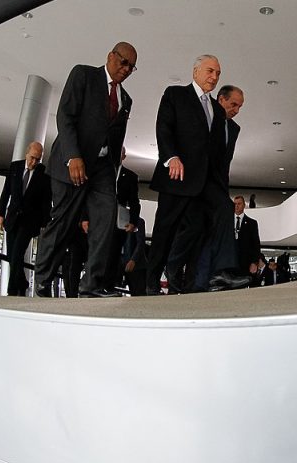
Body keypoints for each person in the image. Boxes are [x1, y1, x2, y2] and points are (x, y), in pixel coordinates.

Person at [34, 42, 137, 298]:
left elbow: (117, 135)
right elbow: (65, 116)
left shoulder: (126, 99)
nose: (126, 69)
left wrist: (114, 166)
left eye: (131, 67)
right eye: (123, 62)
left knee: (105, 219)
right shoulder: (84, 75)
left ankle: (92, 285)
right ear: (111, 56)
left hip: (102, 168)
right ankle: (42, 279)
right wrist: (73, 156)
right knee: (64, 224)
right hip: (73, 162)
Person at [147, 55, 249, 294]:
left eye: (218, 74)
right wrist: (171, 156)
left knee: (222, 210)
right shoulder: (175, 95)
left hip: (204, 183)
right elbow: (164, 127)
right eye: (210, 71)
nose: (214, 77)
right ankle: (150, 283)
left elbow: (215, 152)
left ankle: (218, 274)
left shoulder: (216, 108)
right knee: (165, 232)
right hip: (177, 177)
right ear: (195, 72)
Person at [191, 85, 246, 291]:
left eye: (240, 107)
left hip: (216, 185)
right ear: (220, 100)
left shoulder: (234, 129)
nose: (236, 110)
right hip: (195, 182)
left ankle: (206, 280)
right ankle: (219, 272)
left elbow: (225, 164)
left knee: (211, 231)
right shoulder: (206, 115)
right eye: (233, 104)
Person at [0, 141, 51, 296]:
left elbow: (46, 201)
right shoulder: (15, 167)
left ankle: (12, 291)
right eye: (32, 157)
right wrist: (0, 214)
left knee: (18, 254)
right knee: (11, 255)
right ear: (27, 153)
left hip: (29, 222)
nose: (34, 162)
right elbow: (6, 192)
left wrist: (44, 223)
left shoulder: (44, 174)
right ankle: (22, 282)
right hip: (12, 218)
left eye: (38, 159)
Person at [105, 147, 140, 291]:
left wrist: (133, 221)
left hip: (118, 220)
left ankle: (108, 286)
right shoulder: (103, 172)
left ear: (124, 156)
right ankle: (94, 283)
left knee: (113, 254)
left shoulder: (130, 176)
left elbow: (134, 202)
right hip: (102, 217)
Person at [232, 195, 261, 275]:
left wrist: (254, 262)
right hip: (229, 262)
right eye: (235, 204)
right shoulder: (226, 221)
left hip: (245, 263)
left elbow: (256, 244)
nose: (236, 206)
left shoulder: (252, 223)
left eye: (239, 204)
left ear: (244, 205)